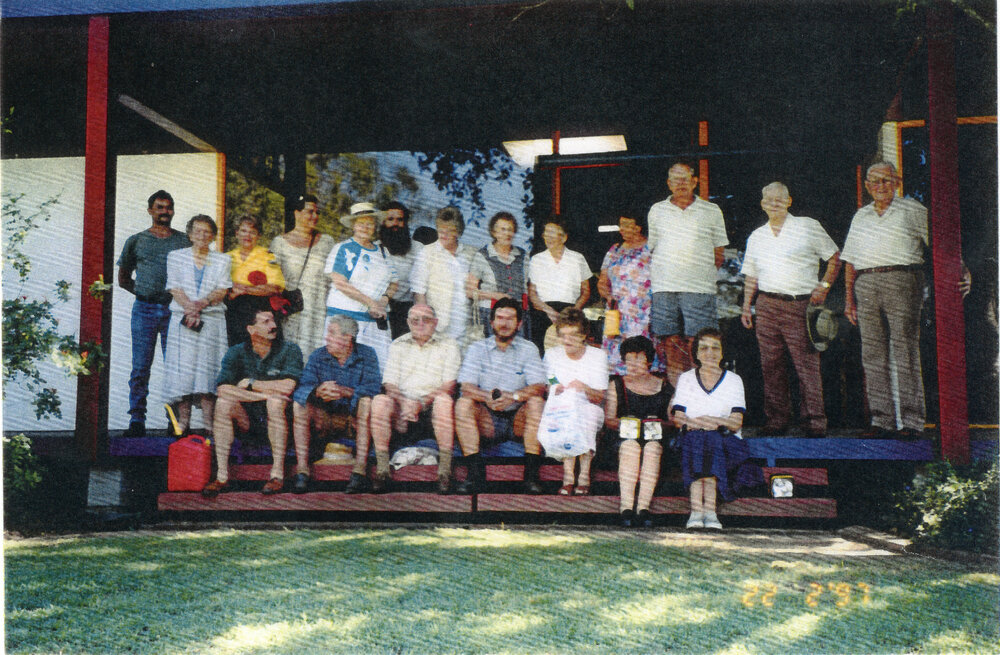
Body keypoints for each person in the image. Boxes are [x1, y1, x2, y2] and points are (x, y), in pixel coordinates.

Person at [842, 162, 970, 440]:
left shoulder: (912, 209)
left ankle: (912, 421)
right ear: (867, 186)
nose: (880, 186)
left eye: (886, 180)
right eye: (875, 181)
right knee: (872, 354)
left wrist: (962, 269)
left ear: (897, 182)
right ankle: (882, 420)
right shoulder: (861, 216)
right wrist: (849, 299)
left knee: (905, 349)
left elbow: (941, 243)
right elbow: (849, 260)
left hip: (902, 279)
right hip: (866, 282)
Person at [740, 182, 841, 438]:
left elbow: (834, 257)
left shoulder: (807, 226)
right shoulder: (757, 236)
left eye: (779, 199)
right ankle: (777, 420)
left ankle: (815, 422)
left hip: (800, 305)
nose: (774, 203)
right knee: (771, 365)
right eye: (769, 199)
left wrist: (824, 286)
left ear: (789, 201)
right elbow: (751, 275)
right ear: (762, 204)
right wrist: (746, 306)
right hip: (766, 305)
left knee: (806, 365)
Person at [202, 309, 303, 497]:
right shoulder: (236, 352)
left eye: (273, 321)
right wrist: (264, 395)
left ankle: (277, 475)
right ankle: (222, 477)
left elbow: (288, 386)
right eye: (266, 322)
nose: (273, 326)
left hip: (281, 423)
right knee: (223, 404)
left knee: (275, 403)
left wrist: (250, 384)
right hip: (247, 422)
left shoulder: (290, 349)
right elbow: (223, 389)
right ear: (251, 329)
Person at [116, 190, 190, 437]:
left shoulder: (184, 241)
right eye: (159, 207)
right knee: (140, 366)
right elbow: (123, 278)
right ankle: (137, 420)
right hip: (144, 309)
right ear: (150, 210)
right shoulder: (136, 241)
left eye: (168, 207)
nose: (165, 212)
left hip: (174, 310)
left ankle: (175, 421)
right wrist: (145, 292)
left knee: (175, 367)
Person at [647, 162, 729, 386]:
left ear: (694, 182)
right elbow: (653, 248)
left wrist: (697, 274)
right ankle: (680, 392)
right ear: (668, 184)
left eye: (685, 179)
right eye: (676, 179)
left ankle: (702, 391)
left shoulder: (711, 210)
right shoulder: (657, 210)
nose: (681, 184)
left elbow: (719, 253)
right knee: (670, 341)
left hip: (699, 288)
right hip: (664, 287)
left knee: (700, 342)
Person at [454, 298, 547, 494]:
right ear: (492, 322)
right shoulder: (477, 348)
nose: (504, 324)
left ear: (519, 324)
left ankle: (531, 476)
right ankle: (474, 475)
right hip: (488, 418)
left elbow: (539, 386)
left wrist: (514, 396)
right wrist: (486, 397)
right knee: (463, 403)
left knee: (537, 403)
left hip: (518, 418)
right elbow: (466, 387)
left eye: (510, 319)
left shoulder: (528, 348)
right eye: (500, 318)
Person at [670, 328, 760, 530]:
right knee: (699, 440)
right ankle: (700, 511)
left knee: (709, 439)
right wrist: (701, 425)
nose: (709, 353)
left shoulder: (734, 380)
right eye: (703, 348)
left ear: (722, 352)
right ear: (696, 352)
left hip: (727, 442)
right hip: (692, 439)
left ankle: (705, 511)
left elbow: (736, 422)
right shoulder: (686, 378)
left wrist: (712, 422)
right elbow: (679, 419)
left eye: (715, 348)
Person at [369, 304, 462, 494]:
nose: (420, 324)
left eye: (426, 319)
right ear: (408, 322)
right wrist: (404, 403)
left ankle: (444, 472)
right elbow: (390, 384)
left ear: (435, 322)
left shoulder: (449, 344)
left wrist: (421, 403)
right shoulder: (398, 344)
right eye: (414, 320)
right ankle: (382, 470)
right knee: (380, 401)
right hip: (403, 408)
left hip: (432, 407)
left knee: (444, 401)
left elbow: (450, 385)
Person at [291, 316, 382, 494]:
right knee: (299, 405)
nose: (327, 338)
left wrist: (345, 392)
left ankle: (359, 471)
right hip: (325, 419)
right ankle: (302, 470)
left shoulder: (367, 354)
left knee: (366, 402)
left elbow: (374, 388)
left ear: (348, 338)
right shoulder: (318, 355)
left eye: (332, 333)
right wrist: (317, 391)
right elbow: (302, 387)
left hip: (353, 419)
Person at [163, 215, 232, 436]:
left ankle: (208, 422)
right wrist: (190, 308)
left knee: (208, 371)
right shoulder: (176, 257)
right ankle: (184, 422)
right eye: (197, 231)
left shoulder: (222, 260)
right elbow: (174, 287)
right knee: (184, 371)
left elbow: (222, 290)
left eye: (207, 231)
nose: (202, 235)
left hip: (211, 320)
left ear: (213, 236)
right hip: (183, 320)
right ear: (190, 234)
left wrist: (200, 305)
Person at [604, 336, 673, 527]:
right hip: (622, 441)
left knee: (652, 448)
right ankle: (626, 508)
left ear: (649, 361)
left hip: (655, 441)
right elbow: (609, 419)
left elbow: (672, 420)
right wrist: (628, 423)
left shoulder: (664, 385)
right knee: (631, 447)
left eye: (639, 359)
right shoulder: (617, 384)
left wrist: (656, 424)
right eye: (629, 359)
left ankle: (643, 509)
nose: (633, 364)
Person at [324, 202, 398, 372]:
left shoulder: (383, 251)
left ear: (375, 226)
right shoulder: (343, 248)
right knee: (342, 368)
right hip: (346, 319)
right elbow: (340, 282)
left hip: (376, 321)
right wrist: (371, 303)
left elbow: (394, 282)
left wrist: (383, 301)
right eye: (361, 223)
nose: (365, 227)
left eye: (370, 223)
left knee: (377, 368)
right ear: (353, 225)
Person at [542, 307, 608, 496]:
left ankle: (583, 475)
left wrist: (584, 387)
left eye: (573, 335)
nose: (567, 340)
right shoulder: (552, 355)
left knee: (586, 415)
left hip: (590, 407)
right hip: (561, 408)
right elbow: (550, 380)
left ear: (584, 335)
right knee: (567, 415)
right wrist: (556, 386)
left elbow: (599, 397)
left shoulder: (598, 356)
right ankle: (569, 475)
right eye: (563, 335)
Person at [269, 194, 336, 354]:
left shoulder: (327, 242)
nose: (315, 216)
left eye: (317, 212)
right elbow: (273, 281)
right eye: (310, 211)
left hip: (319, 312)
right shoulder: (279, 244)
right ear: (296, 213)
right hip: (293, 313)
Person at [597, 210, 660, 375]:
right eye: (621, 225)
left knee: (642, 355)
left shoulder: (652, 249)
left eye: (626, 225)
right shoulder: (614, 249)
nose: (621, 229)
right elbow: (602, 282)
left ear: (638, 228)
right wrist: (608, 296)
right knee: (616, 358)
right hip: (617, 313)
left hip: (644, 314)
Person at [411, 207, 479, 347]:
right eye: (441, 230)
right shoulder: (427, 253)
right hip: (439, 326)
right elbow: (419, 291)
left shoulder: (471, 254)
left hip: (467, 327)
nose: (444, 235)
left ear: (459, 232)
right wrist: (425, 323)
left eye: (450, 231)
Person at [528, 217, 592, 353]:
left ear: (563, 237)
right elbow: (532, 293)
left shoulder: (577, 258)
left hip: (571, 313)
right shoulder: (537, 259)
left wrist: (572, 312)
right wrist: (549, 311)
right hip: (543, 313)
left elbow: (586, 291)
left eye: (552, 233)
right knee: (543, 353)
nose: (548, 237)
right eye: (546, 233)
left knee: (570, 352)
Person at [466, 211, 530, 338]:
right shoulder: (482, 255)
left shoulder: (523, 256)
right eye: (502, 229)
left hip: (518, 316)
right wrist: (494, 295)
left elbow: (529, 288)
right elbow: (469, 291)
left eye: (510, 229)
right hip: (491, 315)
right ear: (494, 232)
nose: (507, 233)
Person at [225, 215, 285, 346]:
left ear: (259, 236)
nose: (247, 235)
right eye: (243, 231)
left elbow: (275, 287)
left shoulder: (268, 255)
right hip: (233, 313)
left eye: (252, 232)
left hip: (260, 314)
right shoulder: (227, 257)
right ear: (236, 233)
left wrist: (243, 290)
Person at [378, 201, 423, 339]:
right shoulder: (374, 249)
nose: (395, 223)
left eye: (400, 219)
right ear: (383, 222)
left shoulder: (418, 248)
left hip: (408, 311)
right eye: (390, 219)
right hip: (380, 309)